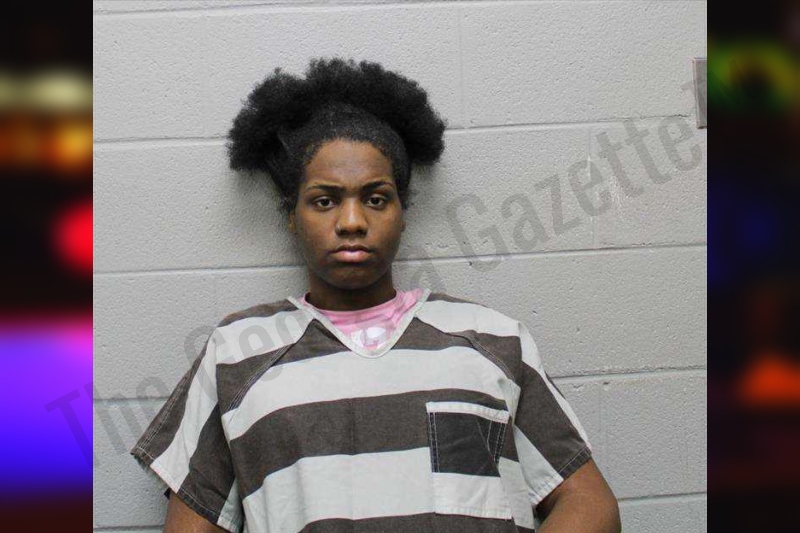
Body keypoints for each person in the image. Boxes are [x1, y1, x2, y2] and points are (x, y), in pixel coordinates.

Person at [130, 57, 621, 533]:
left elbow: (590, 504)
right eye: (325, 201)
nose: (351, 222)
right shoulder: (236, 352)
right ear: (291, 216)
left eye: (376, 198)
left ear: (402, 213)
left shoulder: (493, 339)